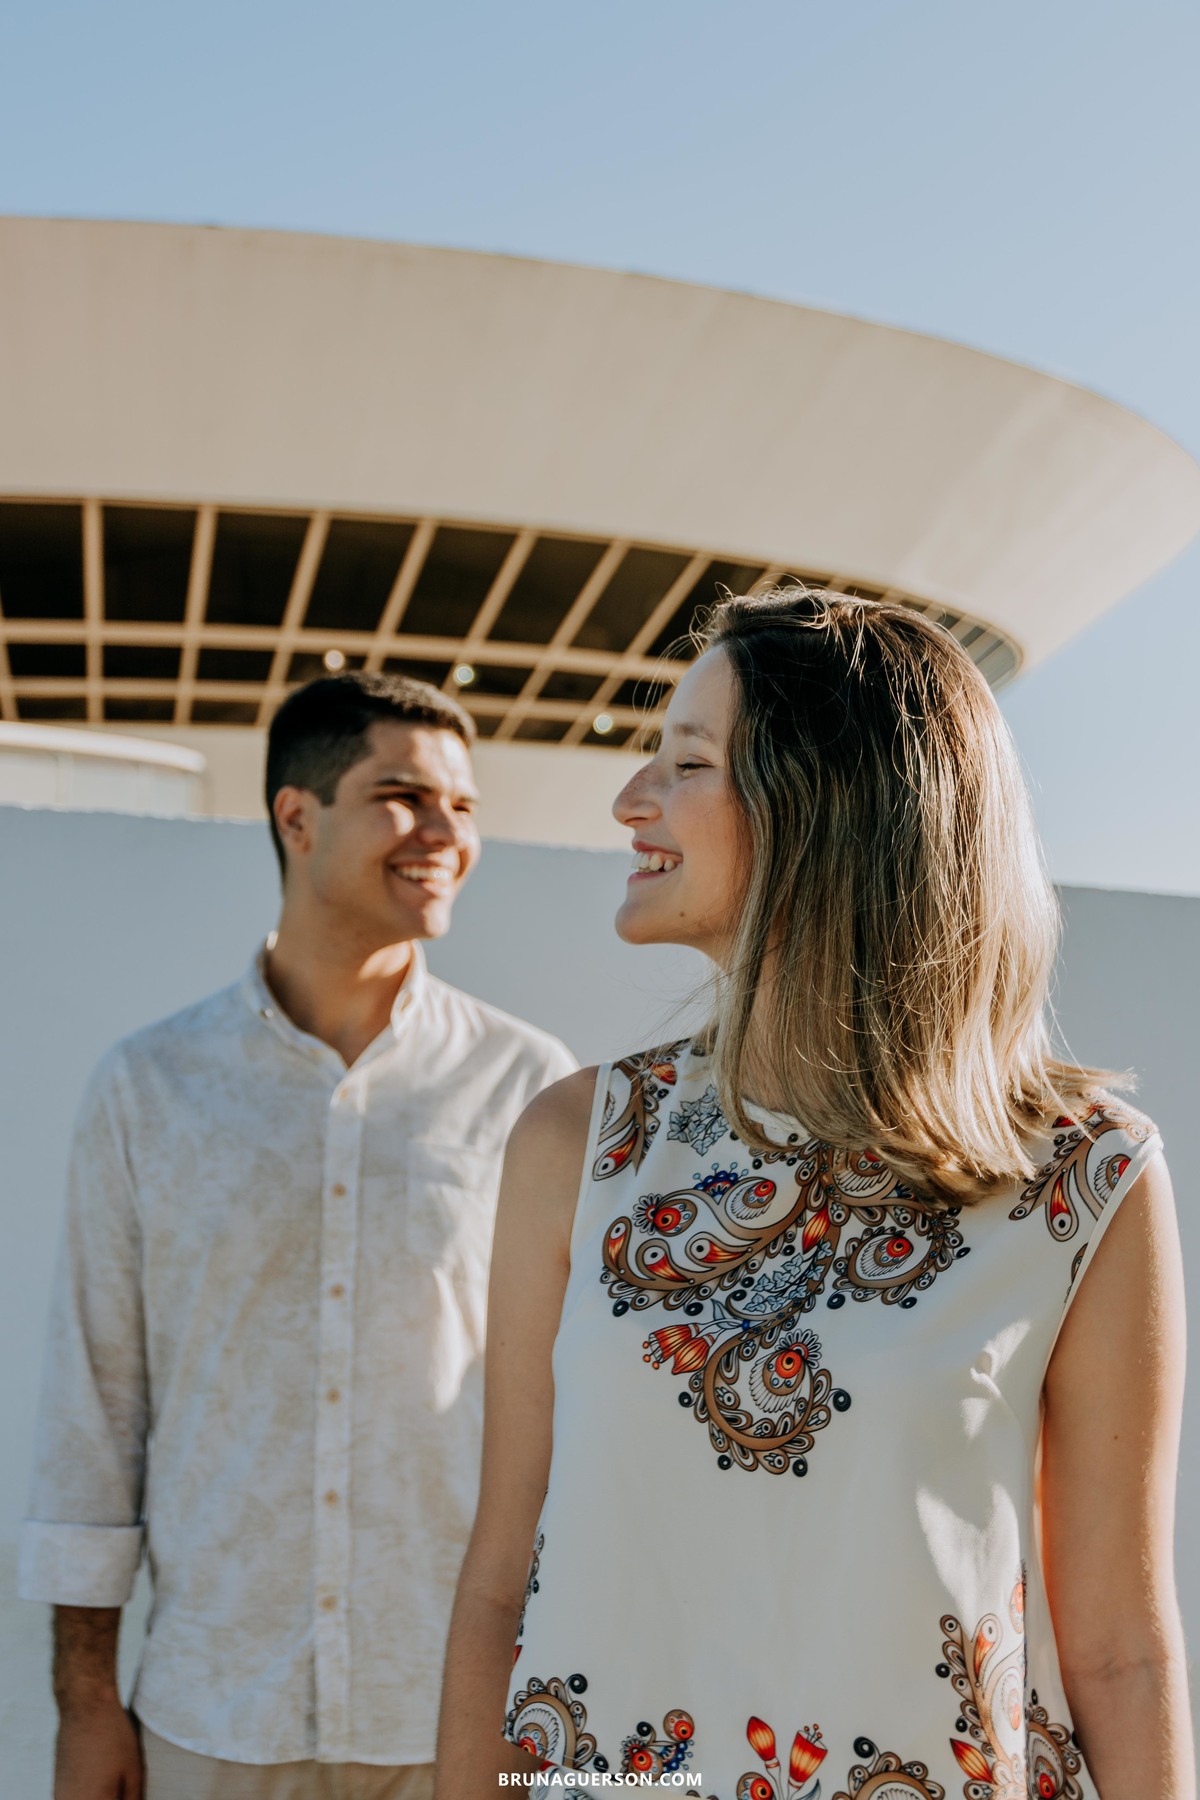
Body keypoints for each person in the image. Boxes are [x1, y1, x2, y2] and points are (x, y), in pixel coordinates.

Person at [435, 590, 1193, 1800]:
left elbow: (1122, 1651)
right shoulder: (581, 1146)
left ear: (827, 804)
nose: (632, 800)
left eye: (686, 763)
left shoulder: (1082, 1174)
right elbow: (499, 1581)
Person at [20, 671, 577, 1800]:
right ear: (296, 815)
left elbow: (574, 1416)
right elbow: (96, 1406)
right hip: (213, 1711)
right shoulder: (151, 1088)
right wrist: (86, 1702)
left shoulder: (531, 1087)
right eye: (405, 797)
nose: (445, 835)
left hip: (455, 1717)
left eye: (463, 808)